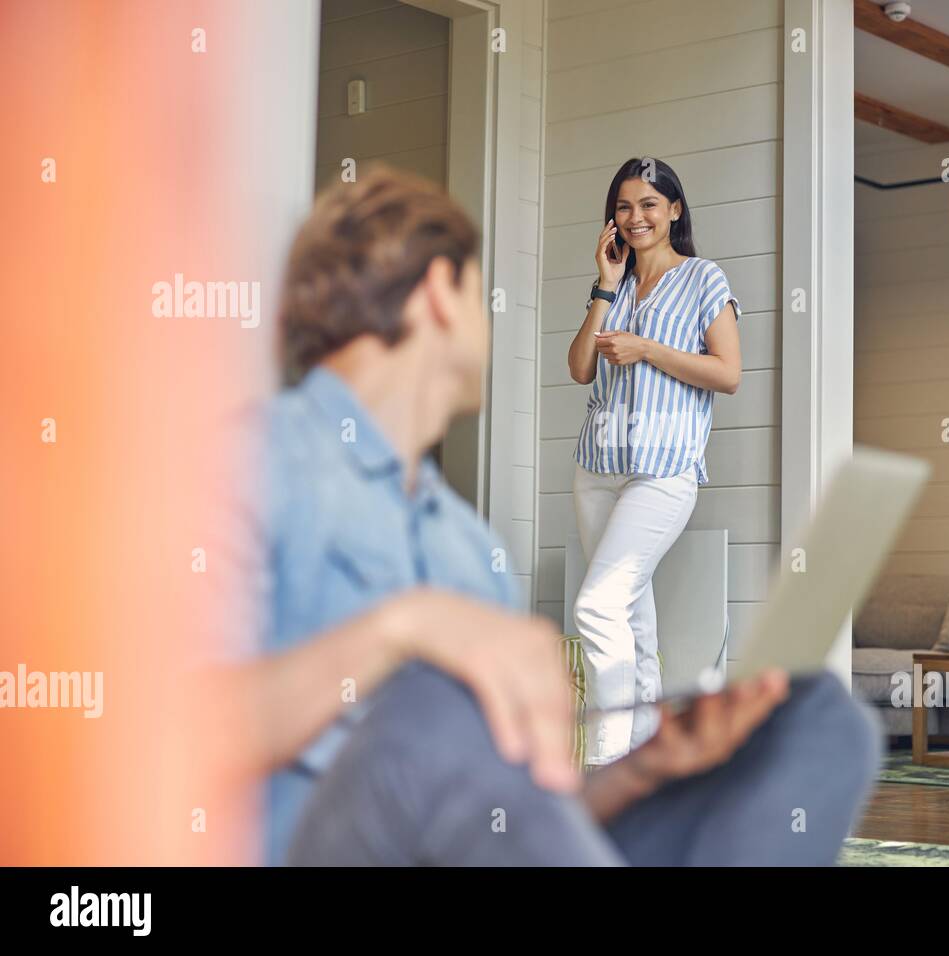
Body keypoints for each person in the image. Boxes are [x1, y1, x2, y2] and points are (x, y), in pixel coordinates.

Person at [224, 165, 881, 866]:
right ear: (443, 296)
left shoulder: (467, 549)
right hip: (321, 845)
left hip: (489, 842)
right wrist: (402, 629)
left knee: (817, 717)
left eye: (648, 205)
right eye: (483, 292)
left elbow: (503, 805)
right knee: (427, 707)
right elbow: (143, 730)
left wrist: (646, 769)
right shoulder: (247, 465)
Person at [566, 157, 742, 765]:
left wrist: (647, 350)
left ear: (674, 210)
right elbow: (580, 367)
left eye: (647, 204)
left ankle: (606, 764)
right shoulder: (612, 284)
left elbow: (728, 373)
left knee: (597, 605)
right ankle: (647, 767)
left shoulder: (703, 279)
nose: (635, 216)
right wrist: (604, 286)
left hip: (663, 472)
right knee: (632, 621)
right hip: (598, 468)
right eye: (623, 206)